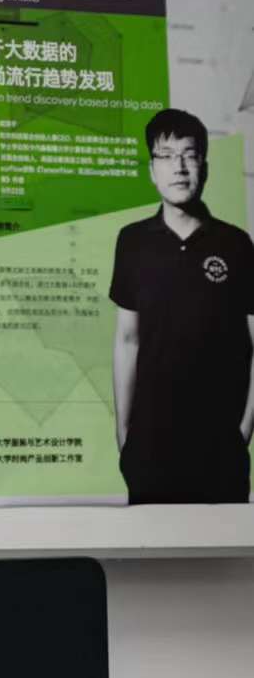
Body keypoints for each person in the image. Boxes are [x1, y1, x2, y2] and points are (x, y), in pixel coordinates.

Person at [110, 107, 254, 504]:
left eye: (190, 155)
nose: (179, 167)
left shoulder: (236, 245)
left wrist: (244, 430)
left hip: (220, 448)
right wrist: (123, 433)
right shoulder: (132, 242)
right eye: (167, 155)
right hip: (150, 447)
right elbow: (127, 340)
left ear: (204, 168)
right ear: (151, 170)